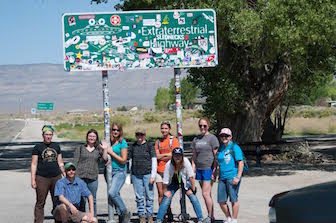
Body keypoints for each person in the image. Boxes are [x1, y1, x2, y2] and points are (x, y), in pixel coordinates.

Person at [156, 148, 204, 223]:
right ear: (172, 157)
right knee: (166, 199)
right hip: (173, 182)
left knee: (193, 197)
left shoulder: (186, 162)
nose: (177, 157)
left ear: (182, 156)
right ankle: (159, 219)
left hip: (184, 181)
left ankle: (200, 218)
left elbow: (191, 176)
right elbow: (165, 180)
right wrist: (165, 191)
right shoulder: (169, 164)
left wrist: (193, 188)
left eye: (179, 156)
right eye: (175, 156)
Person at [31, 124, 65, 223]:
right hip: (42, 178)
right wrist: (33, 179)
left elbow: (60, 162)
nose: (48, 136)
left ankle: (58, 220)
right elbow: (34, 164)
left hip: (56, 177)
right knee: (40, 202)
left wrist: (64, 173)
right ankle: (38, 221)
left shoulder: (56, 146)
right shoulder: (37, 147)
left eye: (50, 134)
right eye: (46, 134)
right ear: (43, 135)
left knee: (57, 201)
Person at [101, 122, 131, 223]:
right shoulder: (108, 141)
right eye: (113, 129)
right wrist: (105, 150)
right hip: (108, 171)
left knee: (112, 193)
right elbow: (104, 157)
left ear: (120, 131)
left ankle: (124, 212)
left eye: (117, 130)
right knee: (115, 194)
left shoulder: (123, 142)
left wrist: (112, 153)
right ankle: (121, 217)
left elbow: (123, 160)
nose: (115, 132)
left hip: (119, 171)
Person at [74, 129, 108, 217]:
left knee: (93, 200)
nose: (92, 138)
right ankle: (82, 217)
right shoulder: (80, 148)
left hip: (93, 178)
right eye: (90, 136)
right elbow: (75, 162)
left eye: (93, 136)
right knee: (82, 199)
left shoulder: (98, 149)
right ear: (87, 137)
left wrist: (104, 149)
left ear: (96, 138)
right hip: (80, 177)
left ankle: (93, 217)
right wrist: (74, 177)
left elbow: (104, 159)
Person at [191, 117, 219, 223]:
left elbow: (216, 156)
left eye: (204, 125)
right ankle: (211, 216)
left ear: (208, 126)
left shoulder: (212, 138)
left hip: (208, 168)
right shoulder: (196, 139)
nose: (202, 127)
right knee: (208, 194)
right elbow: (194, 155)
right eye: (200, 126)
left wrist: (215, 170)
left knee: (205, 193)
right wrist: (193, 167)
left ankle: (209, 216)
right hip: (199, 169)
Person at [214, 128, 244, 223]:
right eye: (222, 136)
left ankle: (234, 220)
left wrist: (238, 177)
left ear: (230, 137)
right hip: (222, 178)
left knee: (233, 199)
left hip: (232, 177)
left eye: (226, 136)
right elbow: (219, 162)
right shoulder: (221, 148)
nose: (224, 138)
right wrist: (217, 174)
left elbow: (241, 163)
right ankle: (229, 217)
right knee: (221, 201)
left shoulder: (235, 147)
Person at [129, 128, 157, 223]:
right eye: (137, 134)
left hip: (148, 174)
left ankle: (149, 215)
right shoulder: (133, 146)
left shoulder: (149, 145)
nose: (139, 136)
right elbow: (130, 161)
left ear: (144, 135)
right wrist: (130, 175)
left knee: (149, 196)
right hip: (136, 174)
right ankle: (141, 215)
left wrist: (153, 176)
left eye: (141, 134)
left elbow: (154, 160)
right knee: (139, 197)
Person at [154, 120, 179, 221]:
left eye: (166, 128)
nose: (164, 130)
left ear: (169, 129)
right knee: (160, 193)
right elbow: (156, 156)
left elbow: (175, 155)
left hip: (169, 171)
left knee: (167, 194)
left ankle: (169, 212)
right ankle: (164, 214)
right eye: (162, 128)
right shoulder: (158, 141)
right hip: (159, 170)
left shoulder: (173, 140)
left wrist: (162, 156)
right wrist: (167, 155)